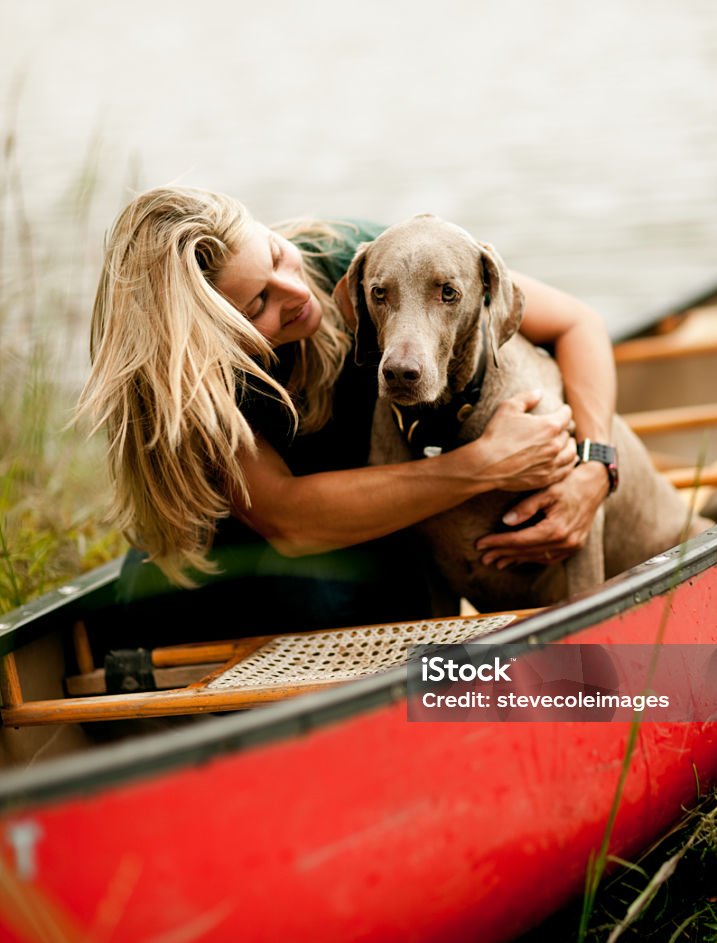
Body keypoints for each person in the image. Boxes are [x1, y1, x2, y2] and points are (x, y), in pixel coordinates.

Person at [78, 187, 615, 648]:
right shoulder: (197, 387)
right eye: (257, 303)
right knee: (348, 593)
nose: (296, 290)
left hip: (353, 542)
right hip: (219, 602)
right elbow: (291, 522)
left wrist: (595, 467)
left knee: (391, 579)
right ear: (213, 339)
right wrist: (483, 465)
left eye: (274, 253)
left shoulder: (357, 260)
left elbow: (577, 323)